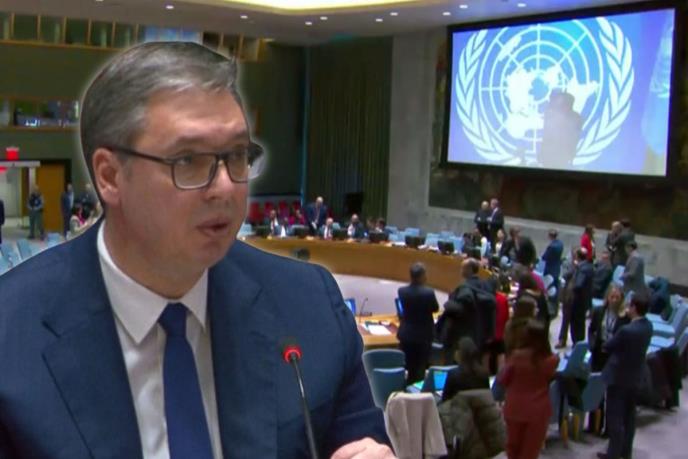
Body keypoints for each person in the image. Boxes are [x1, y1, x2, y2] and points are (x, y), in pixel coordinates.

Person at [0, 42, 392, 458]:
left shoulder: (308, 307)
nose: (225, 186)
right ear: (110, 176)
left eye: (237, 155)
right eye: (187, 160)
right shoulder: (12, 337)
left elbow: (360, 443)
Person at [597, 292, 653, 459]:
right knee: (629, 417)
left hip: (618, 377)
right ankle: (625, 452)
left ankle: (612, 454)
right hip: (635, 377)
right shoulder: (648, 326)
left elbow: (608, 345)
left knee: (615, 418)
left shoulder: (626, 330)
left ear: (634, 308)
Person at [499, 320, 559, 459]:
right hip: (538, 411)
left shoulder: (516, 357)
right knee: (530, 452)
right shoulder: (551, 360)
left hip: (514, 409)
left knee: (512, 450)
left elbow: (503, 380)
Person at [438, 259, 494, 363]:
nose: (461, 271)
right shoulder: (485, 285)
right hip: (480, 333)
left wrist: (448, 304)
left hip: (461, 335)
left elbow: (458, 309)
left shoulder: (465, 288)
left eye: (463, 268)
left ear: (470, 270)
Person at [397, 262, 440, 384]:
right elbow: (435, 308)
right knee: (420, 367)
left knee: (408, 365)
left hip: (407, 334)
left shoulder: (402, 291)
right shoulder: (428, 292)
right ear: (422, 276)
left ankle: (407, 386)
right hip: (423, 335)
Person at [588, 284, 629, 373]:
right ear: (607, 297)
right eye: (612, 297)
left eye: (617, 297)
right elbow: (591, 330)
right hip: (598, 350)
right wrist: (591, 345)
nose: (614, 300)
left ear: (621, 299)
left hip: (614, 353)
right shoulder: (598, 311)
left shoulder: (625, 317)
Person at [441, 337, 490, 402]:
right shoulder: (484, 374)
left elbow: (445, 400)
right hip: (478, 407)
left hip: (457, 407)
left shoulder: (453, 374)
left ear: (460, 353)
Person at [570, 247, 594, 344]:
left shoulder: (582, 269)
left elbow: (578, 285)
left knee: (575, 321)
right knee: (580, 321)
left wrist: (572, 287)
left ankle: (576, 342)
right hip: (586, 298)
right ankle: (579, 341)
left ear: (577, 257)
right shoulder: (589, 266)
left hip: (578, 299)